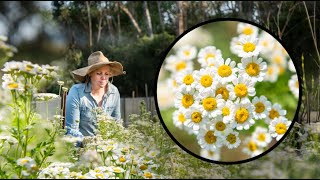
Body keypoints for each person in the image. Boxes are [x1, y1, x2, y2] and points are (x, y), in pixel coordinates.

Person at [65, 51, 126, 141]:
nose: (103, 78)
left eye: (106, 74)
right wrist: (91, 144)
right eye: (99, 73)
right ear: (90, 73)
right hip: (83, 149)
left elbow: (117, 125)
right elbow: (72, 130)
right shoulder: (76, 92)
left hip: (108, 149)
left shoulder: (114, 92)